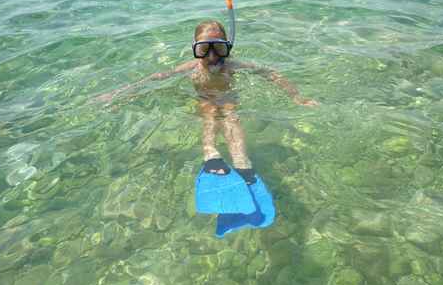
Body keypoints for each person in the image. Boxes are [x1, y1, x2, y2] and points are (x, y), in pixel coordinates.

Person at [96, 19, 317, 185]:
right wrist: (119, 94)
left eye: (219, 48)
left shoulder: (232, 65)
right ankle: (210, 153)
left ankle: (241, 160)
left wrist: (298, 97)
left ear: (227, 47)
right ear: (195, 48)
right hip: (204, 99)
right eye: (204, 49)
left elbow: (270, 73)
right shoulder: (191, 67)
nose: (212, 57)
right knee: (209, 113)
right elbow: (155, 79)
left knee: (231, 114)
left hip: (229, 98)